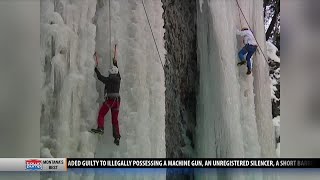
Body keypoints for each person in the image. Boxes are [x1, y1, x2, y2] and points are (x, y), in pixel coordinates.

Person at [91, 52, 121, 146]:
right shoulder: (119, 78)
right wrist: (115, 63)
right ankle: (117, 137)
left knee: (101, 114)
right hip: (117, 101)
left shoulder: (109, 79)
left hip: (110, 100)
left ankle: (100, 128)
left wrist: (95, 69)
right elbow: (118, 72)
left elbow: (100, 77)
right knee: (115, 119)